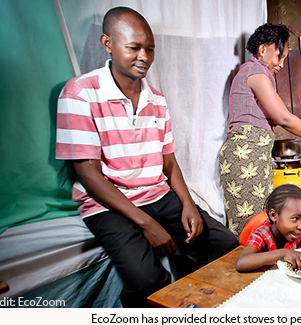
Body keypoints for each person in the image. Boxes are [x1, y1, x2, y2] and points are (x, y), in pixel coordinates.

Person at [55, 7, 238, 307]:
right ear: (107, 44)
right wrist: (147, 225)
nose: (144, 57)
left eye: (150, 49)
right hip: (108, 203)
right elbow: (88, 174)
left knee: (227, 245)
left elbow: (168, 161)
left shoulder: (156, 99)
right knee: (147, 280)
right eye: (134, 48)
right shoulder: (79, 93)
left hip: (157, 195)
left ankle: (204, 303)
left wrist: (188, 204)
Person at [219, 23, 301, 235]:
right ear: (263, 49)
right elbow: (283, 118)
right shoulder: (255, 71)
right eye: (279, 56)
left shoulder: (258, 73)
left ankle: (257, 264)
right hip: (245, 155)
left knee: (259, 220)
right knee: (249, 225)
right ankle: (243, 265)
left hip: (253, 155)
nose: (282, 64)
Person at [235, 184, 301, 272]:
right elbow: (241, 264)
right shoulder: (261, 234)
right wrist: (283, 253)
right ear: (274, 215)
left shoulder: (300, 233)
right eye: (295, 218)